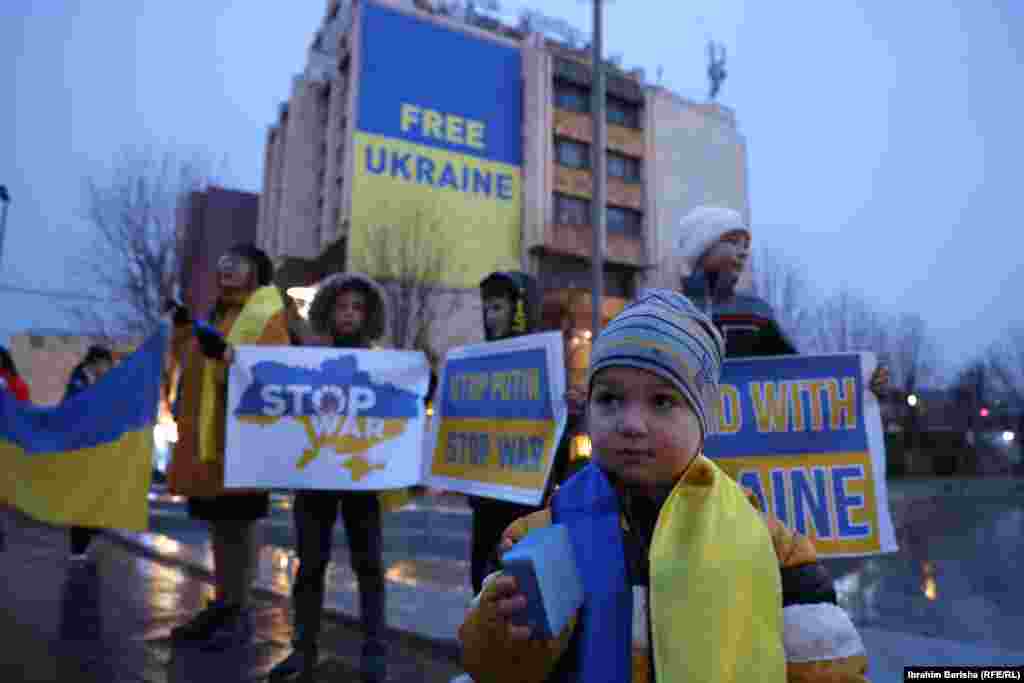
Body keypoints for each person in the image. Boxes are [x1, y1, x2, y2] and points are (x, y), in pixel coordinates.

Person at [457, 290, 869, 683]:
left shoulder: (776, 548)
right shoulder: (535, 537)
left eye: (661, 402)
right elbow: (492, 669)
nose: (631, 424)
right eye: (609, 399)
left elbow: (828, 667)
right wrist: (501, 626)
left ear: (704, 419)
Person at [165, 243, 291, 651]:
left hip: (244, 440)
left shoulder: (266, 313)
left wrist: (230, 354)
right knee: (221, 524)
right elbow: (195, 365)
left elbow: (273, 367)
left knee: (239, 523)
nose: (227, 270)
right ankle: (225, 604)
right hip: (211, 441)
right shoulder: (219, 314)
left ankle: (236, 608)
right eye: (223, 263)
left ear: (257, 271)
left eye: (236, 264)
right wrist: (185, 329)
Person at [269, 273, 392, 683]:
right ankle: (302, 651)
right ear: (328, 309)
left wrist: (420, 380)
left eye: (358, 307)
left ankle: (374, 658)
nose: (349, 315)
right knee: (310, 568)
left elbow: (400, 410)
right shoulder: (306, 359)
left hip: (361, 479)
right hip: (315, 478)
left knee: (370, 567)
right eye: (342, 306)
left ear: (369, 314)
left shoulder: (383, 362)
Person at [676, 205, 890, 394]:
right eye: (733, 242)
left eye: (745, 247)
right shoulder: (668, 313)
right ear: (701, 248)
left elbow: (798, 376)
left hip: (747, 438)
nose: (743, 253)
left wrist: (861, 384)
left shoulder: (755, 313)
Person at [467, 272, 582, 597]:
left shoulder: (548, 364)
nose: (490, 317)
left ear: (519, 309)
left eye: (499, 308)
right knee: (481, 579)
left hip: (526, 498)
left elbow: (559, 448)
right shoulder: (475, 365)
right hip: (486, 496)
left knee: (524, 584)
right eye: (487, 309)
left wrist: (570, 418)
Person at [63, 345, 114, 562]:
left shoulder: (97, 382)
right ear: (95, 362)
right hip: (80, 447)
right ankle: (78, 546)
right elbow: (76, 409)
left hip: (94, 447)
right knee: (83, 495)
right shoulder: (78, 381)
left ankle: (86, 537)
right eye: (106, 364)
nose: (108, 369)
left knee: (93, 494)